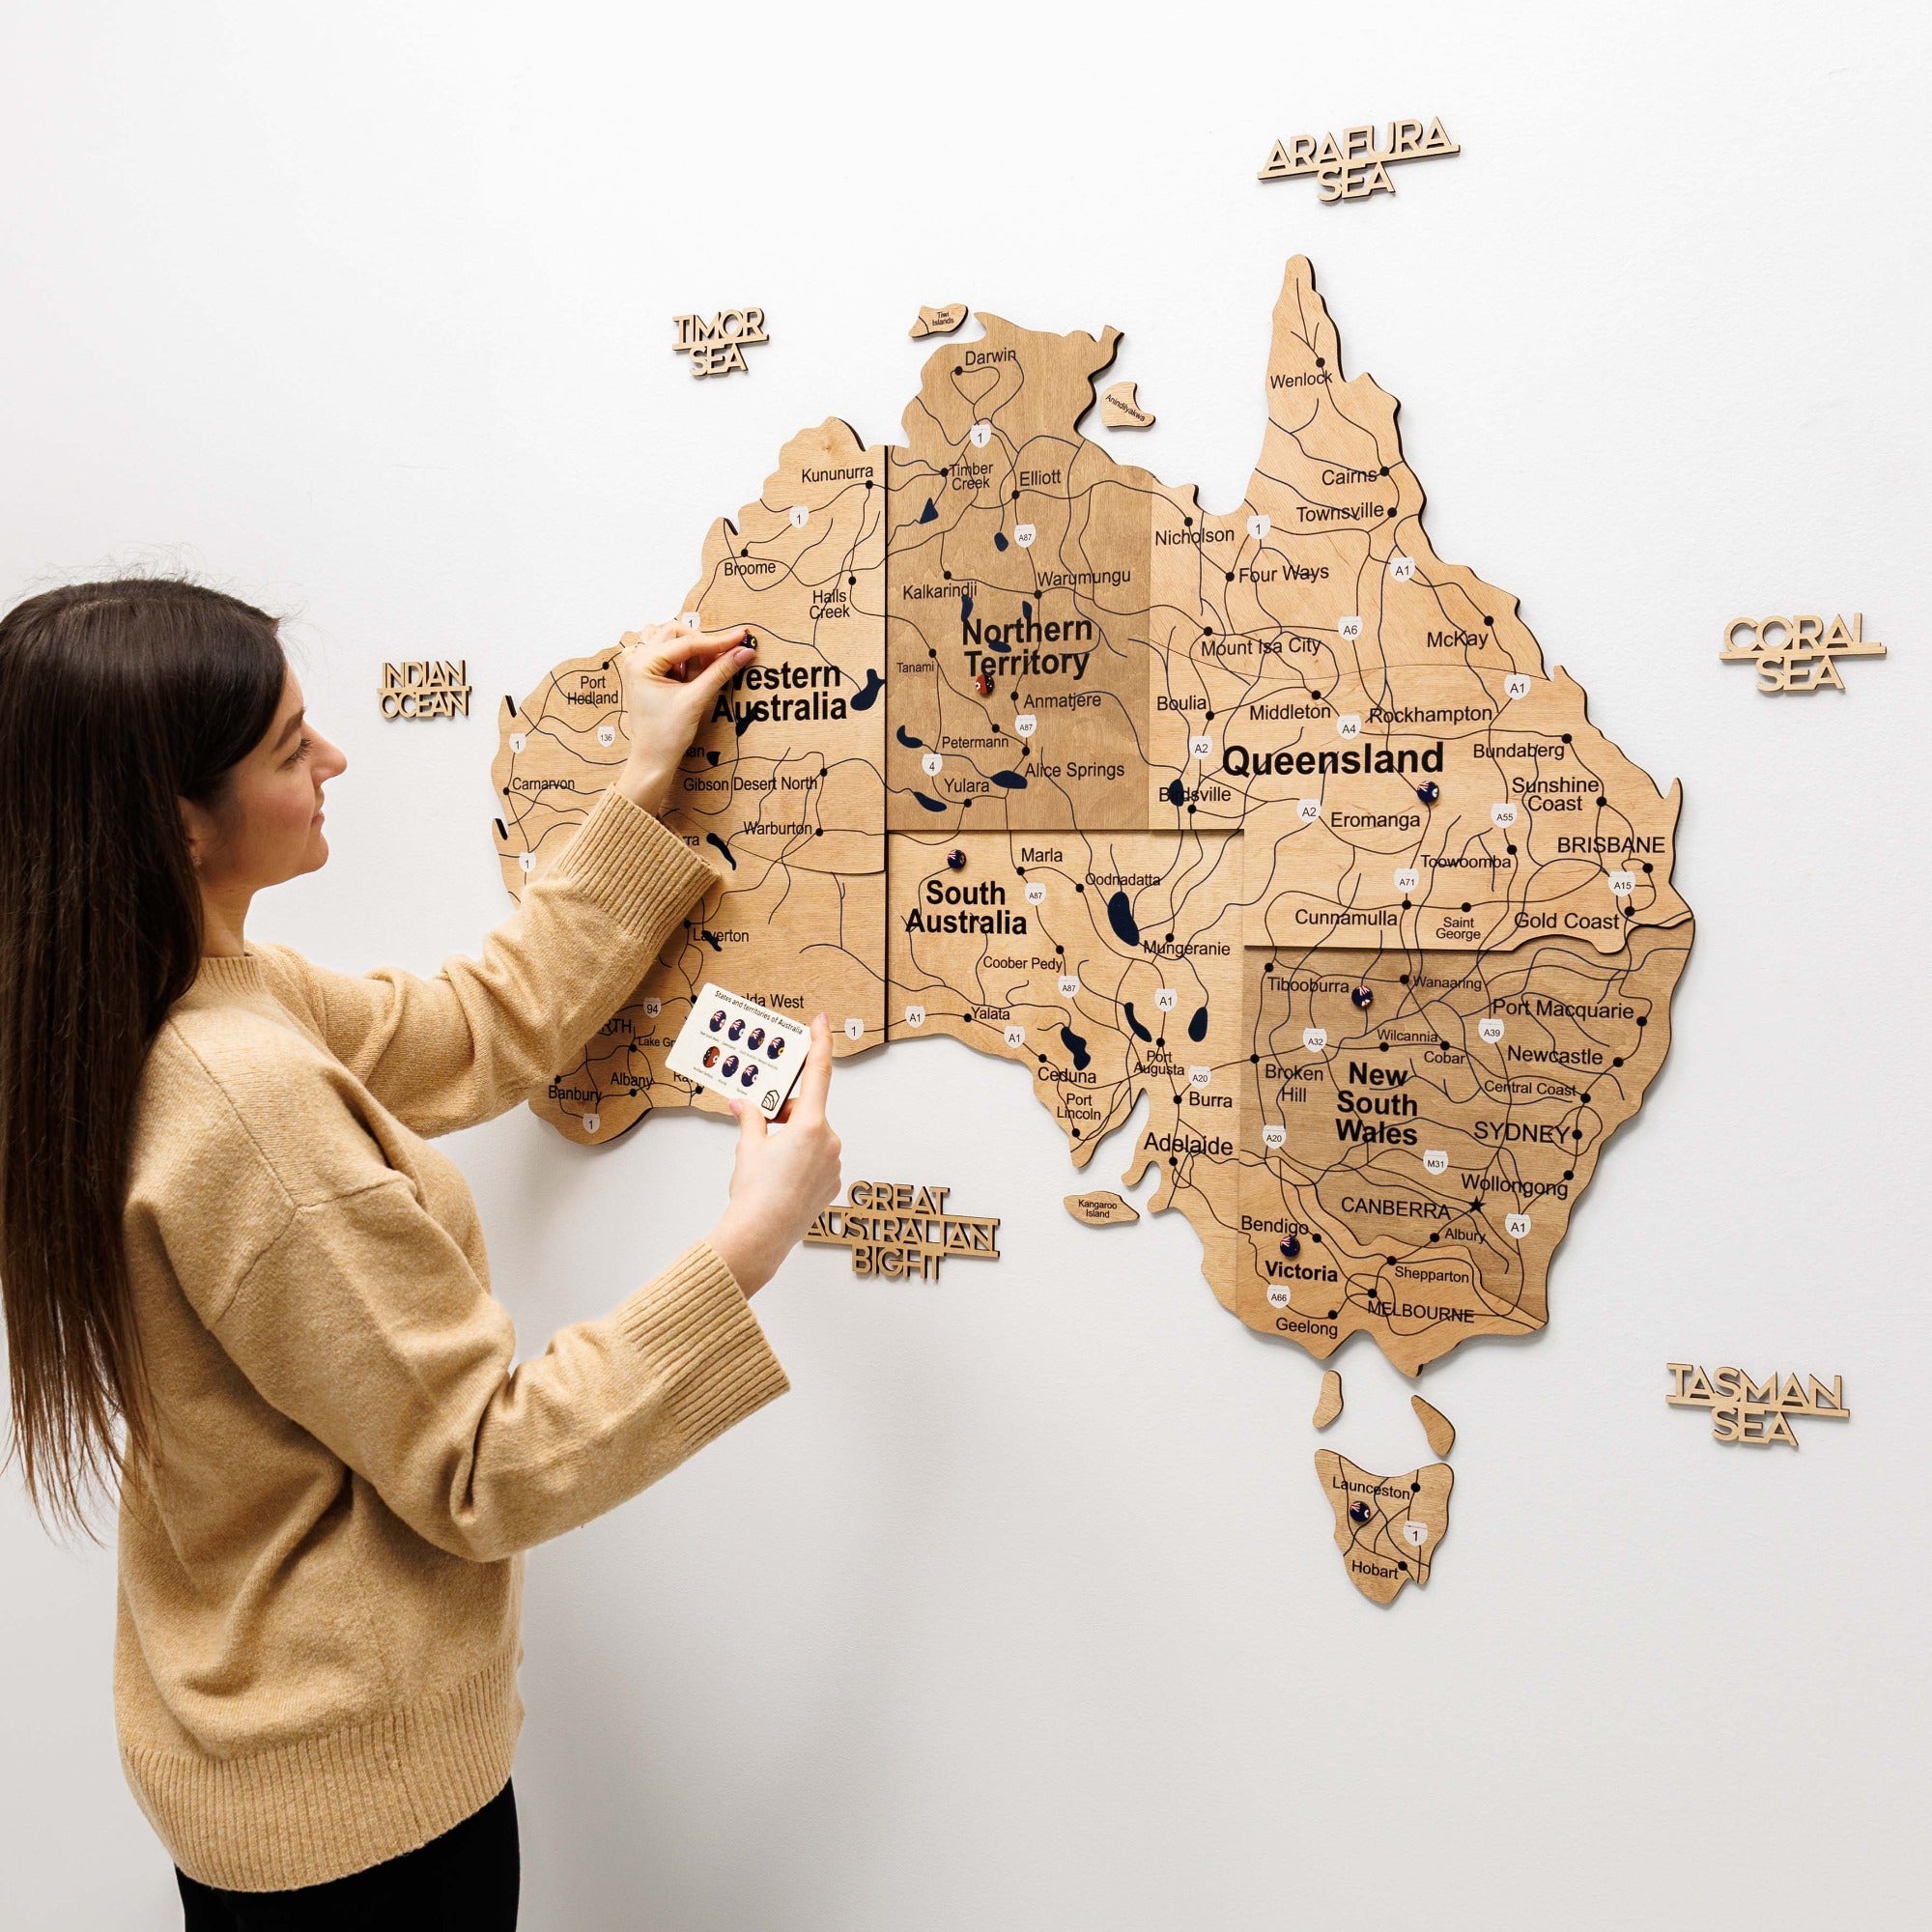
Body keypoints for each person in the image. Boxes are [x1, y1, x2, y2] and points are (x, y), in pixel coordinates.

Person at [0, 580, 842, 1927]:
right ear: (176, 819)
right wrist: (751, 1239)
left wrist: (640, 778)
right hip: (360, 1835)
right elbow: (485, 1467)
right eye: (289, 748)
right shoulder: (237, 1097)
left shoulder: (139, 1001)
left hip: (269, 1773)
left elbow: (470, 1027)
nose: (333, 759)